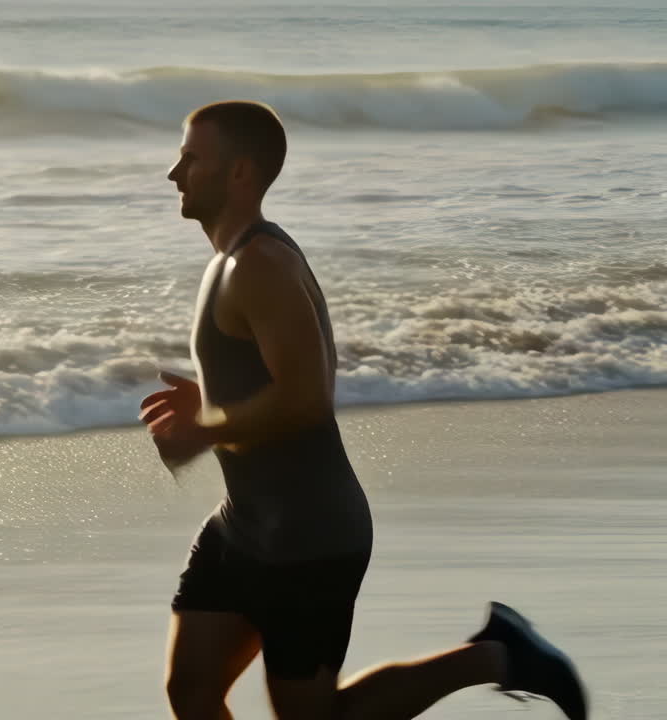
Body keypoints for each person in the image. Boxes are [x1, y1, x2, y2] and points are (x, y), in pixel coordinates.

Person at [138, 100, 587, 720]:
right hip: (244, 527)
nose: (174, 172)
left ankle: (496, 657)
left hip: (310, 536)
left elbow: (305, 400)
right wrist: (210, 400)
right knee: (191, 688)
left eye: (191, 158)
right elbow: (279, 379)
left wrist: (204, 428)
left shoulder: (260, 265)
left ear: (239, 172)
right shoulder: (232, 260)